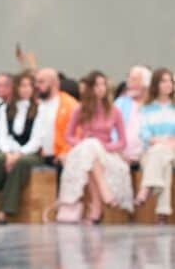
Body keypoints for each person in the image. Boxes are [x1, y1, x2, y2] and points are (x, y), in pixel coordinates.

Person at [55, 70, 133, 223]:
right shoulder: (79, 109)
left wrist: (104, 147)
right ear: (90, 88)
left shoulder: (114, 111)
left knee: (93, 151)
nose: (101, 88)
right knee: (90, 148)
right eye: (97, 85)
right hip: (84, 151)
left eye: (103, 84)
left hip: (105, 152)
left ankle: (97, 208)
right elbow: (68, 136)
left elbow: (122, 141)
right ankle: (103, 198)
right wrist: (83, 143)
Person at [0, 71, 46, 223]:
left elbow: (37, 139)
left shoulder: (40, 109)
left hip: (31, 153)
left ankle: (6, 209)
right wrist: (8, 153)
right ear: (16, 88)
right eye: (22, 86)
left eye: (29, 86)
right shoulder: (5, 108)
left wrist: (19, 154)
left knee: (21, 164)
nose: (26, 89)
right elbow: (2, 135)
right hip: (10, 150)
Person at [135, 67, 175, 223]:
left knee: (161, 152)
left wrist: (167, 142)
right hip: (152, 153)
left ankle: (146, 188)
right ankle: (162, 214)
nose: (168, 84)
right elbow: (144, 133)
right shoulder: (146, 109)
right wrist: (161, 141)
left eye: (170, 81)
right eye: (163, 81)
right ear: (156, 84)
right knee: (163, 161)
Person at [33, 67, 77, 166]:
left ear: (54, 83)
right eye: (36, 82)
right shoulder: (40, 105)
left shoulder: (70, 104)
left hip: (62, 157)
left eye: (41, 82)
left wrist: (65, 152)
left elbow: (77, 133)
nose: (36, 85)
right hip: (42, 155)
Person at [113, 65, 151, 167]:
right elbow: (110, 132)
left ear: (146, 84)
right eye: (128, 78)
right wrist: (119, 153)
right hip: (119, 155)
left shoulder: (153, 106)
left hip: (147, 155)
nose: (128, 83)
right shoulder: (120, 103)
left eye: (134, 80)